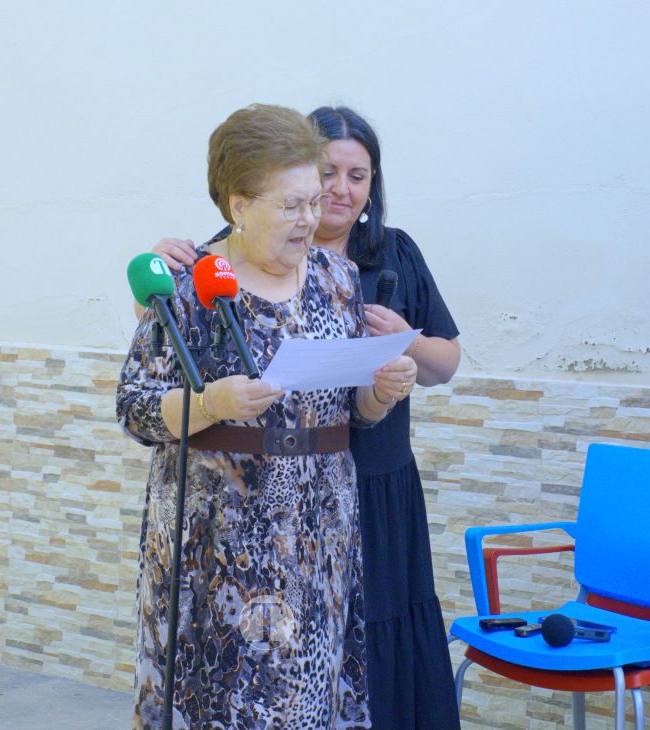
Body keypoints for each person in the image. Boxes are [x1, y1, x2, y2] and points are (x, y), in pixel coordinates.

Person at [149, 106, 462, 729]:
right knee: (252, 672)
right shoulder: (215, 270)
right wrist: (152, 291)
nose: (337, 193)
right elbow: (154, 368)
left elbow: (441, 362)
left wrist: (400, 354)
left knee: (355, 648)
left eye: (358, 176)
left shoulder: (374, 263)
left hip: (365, 481)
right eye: (324, 176)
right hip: (249, 507)